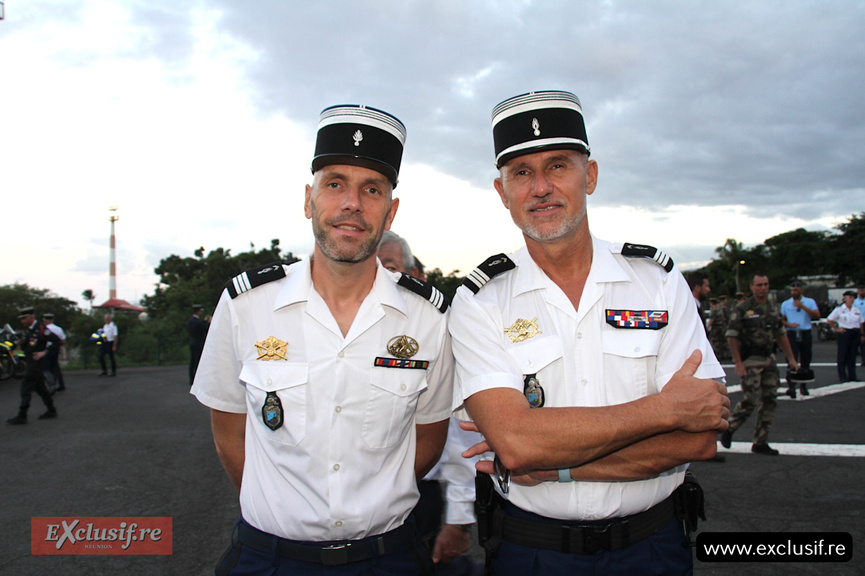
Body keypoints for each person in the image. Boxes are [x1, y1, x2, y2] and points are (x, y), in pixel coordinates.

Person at [449, 90, 730, 575]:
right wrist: (666, 410)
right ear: (502, 192)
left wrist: (556, 466)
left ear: (591, 176)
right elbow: (516, 444)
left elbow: (699, 438)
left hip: (652, 546)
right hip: (534, 553)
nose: (541, 188)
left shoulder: (656, 281)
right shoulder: (479, 299)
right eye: (522, 173)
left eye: (558, 166)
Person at [191, 104, 454, 576]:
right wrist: (284, 511)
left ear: (390, 211)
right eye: (335, 184)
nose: (352, 203)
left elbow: (430, 437)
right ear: (308, 200)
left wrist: (371, 500)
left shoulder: (428, 318)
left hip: (388, 559)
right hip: (270, 560)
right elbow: (229, 432)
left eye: (371, 189)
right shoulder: (247, 304)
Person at [377, 231, 484, 576]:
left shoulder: (434, 331)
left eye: (390, 267)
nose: (379, 276)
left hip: (419, 495)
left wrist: (458, 521)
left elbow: (459, 437)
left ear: (414, 274)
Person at [721, 273, 799, 456]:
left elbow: (780, 334)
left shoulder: (772, 308)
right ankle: (730, 428)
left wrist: (791, 358)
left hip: (768, 359)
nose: (763, 288)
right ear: (752, 287)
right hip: (750, 360)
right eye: (759, 285)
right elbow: (732, 336)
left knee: (770, 400)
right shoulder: (743, 309)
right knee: (751, 398)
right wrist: (738, 362)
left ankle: (760, 441)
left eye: (765, 284)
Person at [6, 306, 59, 424]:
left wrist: (44, 352)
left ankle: (22, 415)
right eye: (21, 319)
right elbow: (28, 346)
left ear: (31, 317)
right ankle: (51, 410)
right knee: (41, 388)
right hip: (30, 361)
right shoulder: (28, 330)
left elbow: (56, 341)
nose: (22, 321)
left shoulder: (41, 329)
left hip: (36, 362)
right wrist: (21, 343)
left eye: (24, 318)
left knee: (25, 387)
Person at [780, 280, 819, 397]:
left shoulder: (809, 302)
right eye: (792, 290)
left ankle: (804, 385)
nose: (794, 292)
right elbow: (781, 320)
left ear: (801, 290)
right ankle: (791, 386)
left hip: (805, 332)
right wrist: (789, 325)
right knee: (791, 359)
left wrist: (802, 306)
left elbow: (817, 315)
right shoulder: (786, 304)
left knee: (806, 359)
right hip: (792, 333)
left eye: (796, 290)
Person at [826, 291, 864, 383]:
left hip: (855, 332)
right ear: (845, 299)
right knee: (843, 355)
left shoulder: (856, 310)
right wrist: (836, 329)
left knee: (853, 355)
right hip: (845, 333)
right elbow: (830, 320)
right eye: (850, 297)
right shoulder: (839, 309)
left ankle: (852, 376)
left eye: (853, 298)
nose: (852, 300)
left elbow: (861, 323)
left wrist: (862, 334)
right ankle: (843, 376)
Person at [42, 313, 67, 391]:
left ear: (45, 320)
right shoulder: (59, 329)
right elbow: (63, 341)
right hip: (56, 349)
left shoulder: (44, 329)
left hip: (46, 349)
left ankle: (50, 384)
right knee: (55, 367)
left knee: (46, 368)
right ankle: (61, 384)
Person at [187, 304, 210, 385]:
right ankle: (197, 379)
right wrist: (208, 322)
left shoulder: (190, 321)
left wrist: (203, 321)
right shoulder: (198, 322)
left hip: (192, 342)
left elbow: (199, 326)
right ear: (198, 312)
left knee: (192, 361)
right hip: (198, 343)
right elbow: (204, 328)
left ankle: (192, 378)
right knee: (197, 361)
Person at [709, 295, 731, 361]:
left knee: (716, 342)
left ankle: (719, 355)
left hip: (716, 327)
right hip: (723, 326)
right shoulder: (723, 308)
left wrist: (707, 327)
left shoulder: (714, 309)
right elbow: (727, 317)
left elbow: (712, 320)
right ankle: (729, 355)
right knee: (725, 341)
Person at [854, 287, 865, 367]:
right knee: (859, 341)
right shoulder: (855, 302)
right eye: (861, 290)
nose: (863, 292)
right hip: (858, 323)